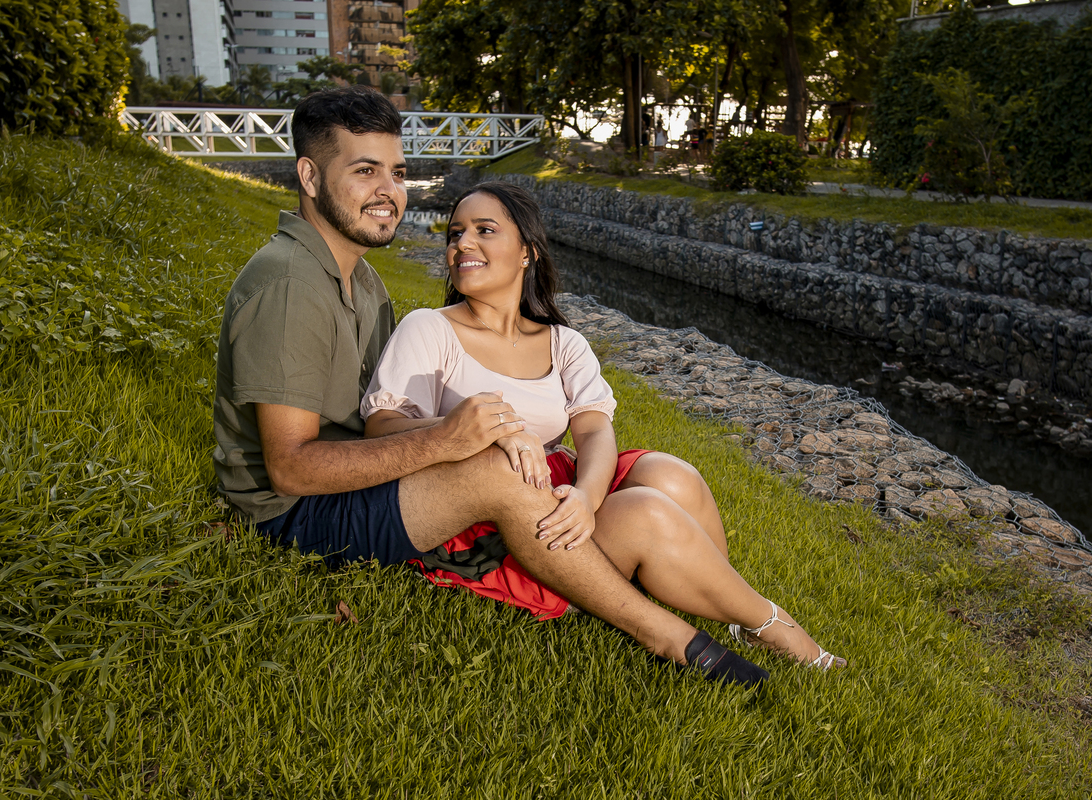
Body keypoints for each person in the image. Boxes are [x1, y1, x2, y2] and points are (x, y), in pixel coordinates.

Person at [211, 86, 771, 689]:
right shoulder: (291, 287)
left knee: (552, 461)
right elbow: (291, 471)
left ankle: (711, 596)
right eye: (364, 171)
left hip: (362, 477)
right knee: (491, 469)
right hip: (296, 514)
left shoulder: (362, 281)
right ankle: (668, 635)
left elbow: (390, 413)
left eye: (397, 172)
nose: (389, 192)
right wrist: (452, 442)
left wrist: (479, 431)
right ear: (310, 176)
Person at [360, 181, 845, 672]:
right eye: (455, 232)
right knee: (644, 511)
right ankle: (780, 630)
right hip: (490, 513)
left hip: (560, 483)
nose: (462, 243)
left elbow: (592, 431)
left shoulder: (562, 342)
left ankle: (723, 602)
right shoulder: (429, 328)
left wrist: (589, 499)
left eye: (485, 230)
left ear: (527, 252)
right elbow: (383, 426)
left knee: (675, 476)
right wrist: (484, 429)